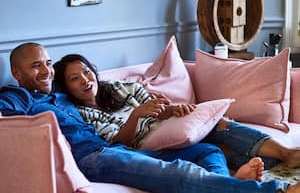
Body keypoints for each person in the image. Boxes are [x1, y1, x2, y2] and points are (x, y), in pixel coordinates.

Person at [1, 42, 300, 193]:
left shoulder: (61, 96)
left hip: (113, 150)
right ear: (17, 73)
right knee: (180, 174)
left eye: (47, 63)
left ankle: (230, 186)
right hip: (90, 158)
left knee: (203, 153)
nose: (45, 71)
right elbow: (7, 122)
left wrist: (165, 108)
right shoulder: (18, 96)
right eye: (35, 67)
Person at [53, 53, 300, 171]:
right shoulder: (82, 115)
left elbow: (156, 107)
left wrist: (173, 109)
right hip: (148, 146)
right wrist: (136, 115)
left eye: (86, 71)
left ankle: (286, 154)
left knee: (219, 123)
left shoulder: (117, 87)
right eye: (75, 78)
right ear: (67, 87)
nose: (85, 80)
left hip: (167, 128)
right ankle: (258, 170)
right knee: (218, 148)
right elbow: (118, 144)